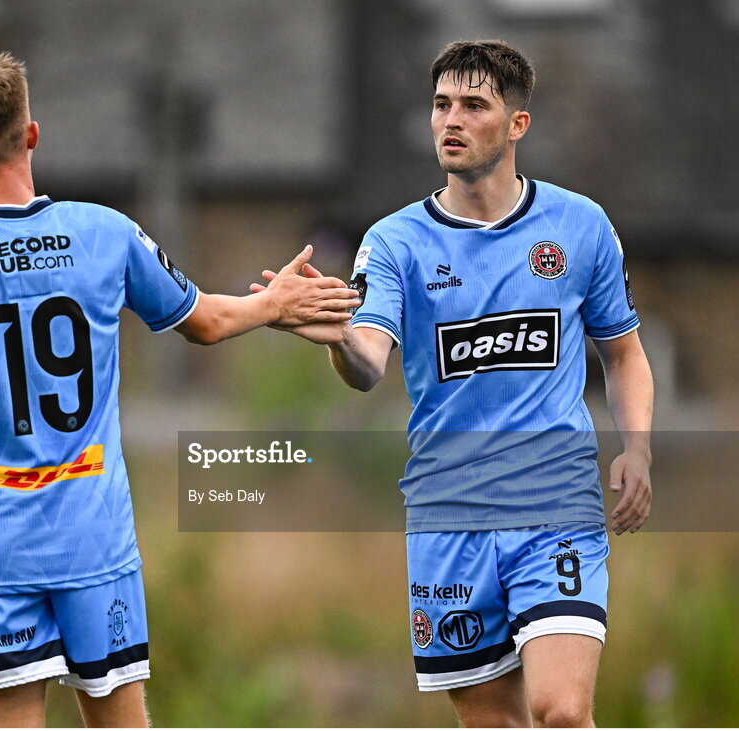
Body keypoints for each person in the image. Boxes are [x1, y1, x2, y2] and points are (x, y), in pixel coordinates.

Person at [0, 52, 358, 728]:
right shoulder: (103, 231)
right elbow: (207, 322)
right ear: (31, 134)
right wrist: (273, 304)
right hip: (92, 539)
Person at [253, 40, 653, 727]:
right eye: (441, 105)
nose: (451, 120)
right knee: (491, 720)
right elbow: (367, 362)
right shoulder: (394, 242)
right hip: (446, 516)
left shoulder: (578, 226)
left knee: (559, 709)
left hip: (552, 504)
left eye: (473, 105)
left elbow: (623, 354)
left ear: (516, 124)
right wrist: (332, 336)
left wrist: (636, 446)